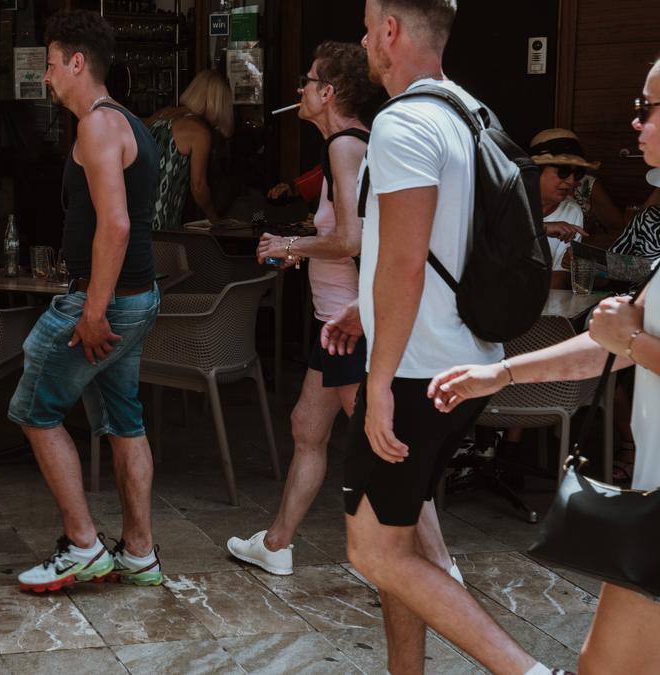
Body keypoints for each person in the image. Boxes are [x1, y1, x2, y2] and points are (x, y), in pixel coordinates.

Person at [322, 1, 564, 673]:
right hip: (465, 358)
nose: (366, 39)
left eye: (370, 26)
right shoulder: (467, 112)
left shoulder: (401, 124)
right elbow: (433, 248)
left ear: (392, 30)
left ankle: (528, 671)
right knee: (407, 541)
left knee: (372, 549)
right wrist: (365, 315)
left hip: (414, 371)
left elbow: (403, 262)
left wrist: (376, 384)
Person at [430, 62, 660, 674]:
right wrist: (500, 376)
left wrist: (632, 345)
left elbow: (623, 342)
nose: (636, 121)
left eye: (650, 108)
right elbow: (605, 342)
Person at [228, 41, 461, 583]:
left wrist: (289, 247)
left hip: (348, 323)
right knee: (307, 426)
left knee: (387, 448)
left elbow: (352, 241)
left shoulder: (343, 147)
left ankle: (442, 567)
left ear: (327, 92)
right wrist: (306, 243)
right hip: (334, 319)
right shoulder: (348, 145)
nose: (300, 92)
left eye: (307, 82)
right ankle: (277, 544)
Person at [10, 9, 163, 593]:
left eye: (51, 66)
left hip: (105, 302)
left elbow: (117, 226)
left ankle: (83, 546)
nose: (46, 77)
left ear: (77, 63)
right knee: (125, 422)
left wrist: (93, 310)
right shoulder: (128, 121)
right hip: (137, 296)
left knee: (34, 412)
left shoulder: (97, 126)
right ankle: (140, 553)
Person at [145, 69, 233, 230]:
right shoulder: (198, 132)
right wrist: (213, 217)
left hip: (135, 216)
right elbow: (198, 187)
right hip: (160, 220)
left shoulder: (162, 115)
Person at [530, 128, 595, 288]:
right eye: (563, 171)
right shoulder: (506, 200)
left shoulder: (571, 212)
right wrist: (541, 229)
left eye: (578, 173)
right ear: (534, 171)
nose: (571, 181)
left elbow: (557, 279)